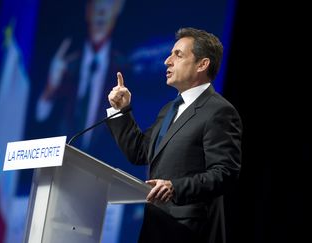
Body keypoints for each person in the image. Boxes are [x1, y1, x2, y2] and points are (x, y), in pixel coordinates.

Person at [106, 27, 242, 243]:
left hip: (189, 231)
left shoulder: (219, 111)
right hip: (155, 226)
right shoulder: (170, 108)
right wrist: (120, 111)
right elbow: (140, 152)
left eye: (178, 55)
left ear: (202, 64)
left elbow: (225, 174)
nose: (167, 61)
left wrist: (175, 187)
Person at [34, 0, 129, 153]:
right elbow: (40, 116)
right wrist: (50, 88)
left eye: (108, 5)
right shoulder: (66, 62)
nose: (102, 12)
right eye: (97, 5)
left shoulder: (125, 67)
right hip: (59, 161)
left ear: (117, 10)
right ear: (88, 11)